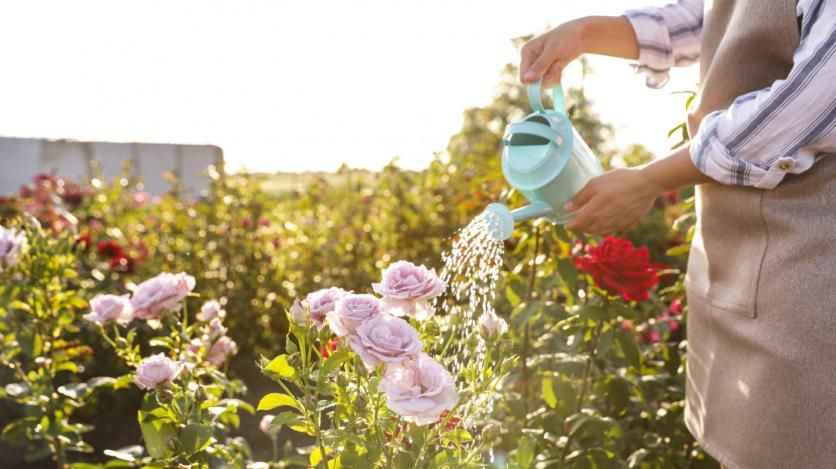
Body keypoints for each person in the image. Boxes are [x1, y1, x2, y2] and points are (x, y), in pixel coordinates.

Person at [519, 1, 836, 468]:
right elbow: (715, 16)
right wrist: (586, 32)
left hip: (809, 280)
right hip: (743, 267)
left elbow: (804, 108)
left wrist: (648, 179)